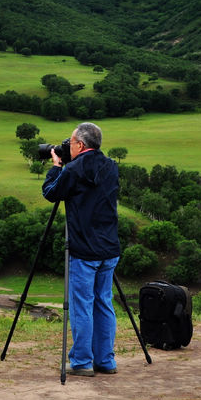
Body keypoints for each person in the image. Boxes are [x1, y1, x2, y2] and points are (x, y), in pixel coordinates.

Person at [41, 122, 121, 377]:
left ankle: (82, 361)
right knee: (104, 302)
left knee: (82, 305)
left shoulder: (74, 170)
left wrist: (56, 168)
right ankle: (106, 361)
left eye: (72, 142)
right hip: (109, 248)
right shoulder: (111, 166)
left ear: (81, 145)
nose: (69, 145)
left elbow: (51, 193)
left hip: (84, 250)